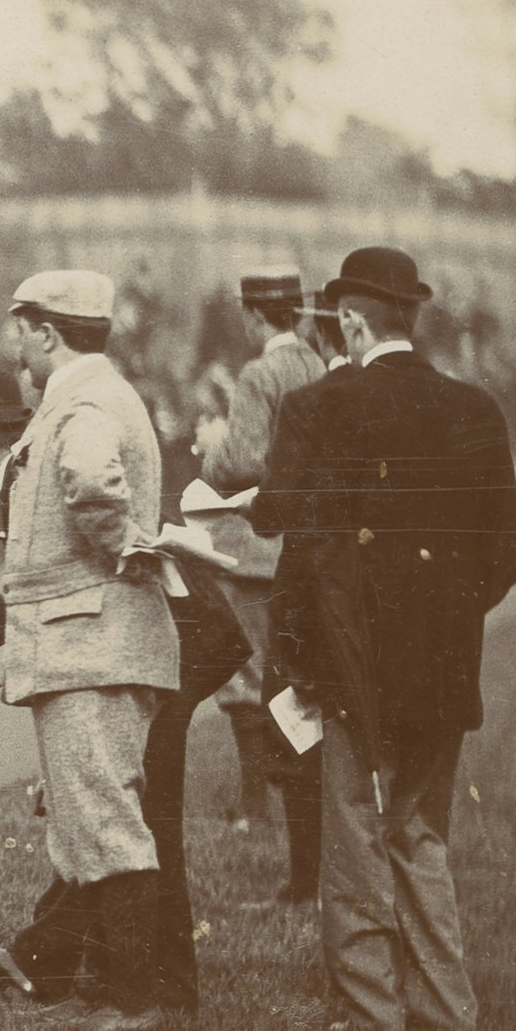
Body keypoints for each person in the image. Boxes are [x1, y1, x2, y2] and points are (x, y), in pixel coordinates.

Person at [251, 246, 516, 1031]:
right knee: (418, 831)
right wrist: (445, 615)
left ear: (348, 318)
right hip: (443, 662)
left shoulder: (318, 405)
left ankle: (370, 1010)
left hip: (351, 658)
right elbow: (506, 552)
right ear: (409, 313)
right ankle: (447, 1005)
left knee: (352, 835)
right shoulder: (476, 409)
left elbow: (281, 525)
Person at [0, 275, 194, 1031]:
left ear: (47, 331)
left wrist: (120, 548)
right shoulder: (92, 395)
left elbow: (88, 479)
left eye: (20, 332)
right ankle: (102, 988)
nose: (16, 348)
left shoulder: (81, 403)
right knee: (86, 824)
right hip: (87, 640)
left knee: (104, 823)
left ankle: (135, 1001)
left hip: (94, 638)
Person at [193, 268, 328, 901]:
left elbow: (244, 460)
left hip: (256, 545)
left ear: (254, 317)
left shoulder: (259, 375)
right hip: (308, 551)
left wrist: (210, 444)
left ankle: (258, 803)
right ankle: (296, 814)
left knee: (249, 680)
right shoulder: (319, 365)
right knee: (299, 681)